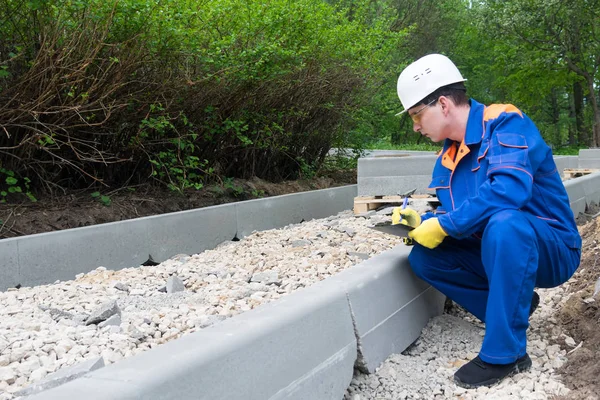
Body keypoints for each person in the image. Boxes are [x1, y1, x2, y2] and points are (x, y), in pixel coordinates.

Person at [392, 54, 581, 388]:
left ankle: (505, 355)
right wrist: (422, 221)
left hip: (551, 246)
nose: (416, 126)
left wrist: (446, 226)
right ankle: (515, 306)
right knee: (424, 259)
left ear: (444, 104)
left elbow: (509, 190)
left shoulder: (505, 123)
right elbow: (464, 216)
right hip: (498, 245)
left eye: (416, 115)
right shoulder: (447, 160)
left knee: (505, 222)